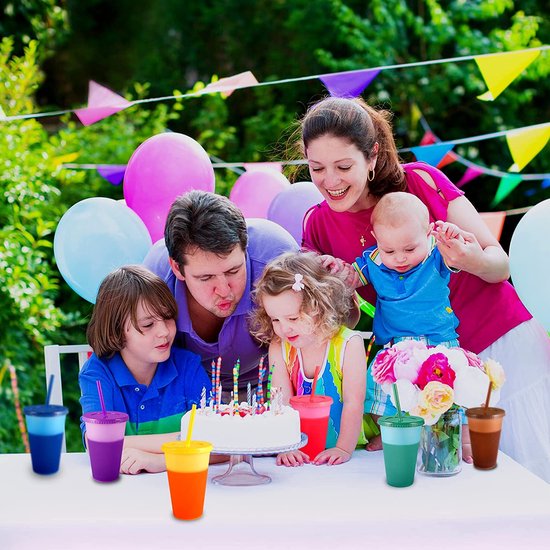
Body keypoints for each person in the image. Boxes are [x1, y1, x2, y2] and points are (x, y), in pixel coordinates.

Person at [297, 96, 550, 482]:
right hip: (420, 376)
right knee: (446, 482)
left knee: (526, 469)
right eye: (317, 169)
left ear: (372, 156)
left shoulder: (420, 180)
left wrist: (469, 259)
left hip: (499, 346)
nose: (330, 182)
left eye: (343, 166)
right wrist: (341, 290)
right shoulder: (317, 225)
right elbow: (341, 322)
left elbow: (499, 266)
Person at [143, 190, 298, 402]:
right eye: (206, 278)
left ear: (245, 249)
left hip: (277, 390)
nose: (224, 290)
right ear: (177, 268)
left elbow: (327, 327)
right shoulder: (154, 280)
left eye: (233, 271)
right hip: (189, 397)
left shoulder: (277, 257)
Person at [79, 265, 214, 475]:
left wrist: (159, 461)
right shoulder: (97, 373)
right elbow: (98, 445)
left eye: (168, 318)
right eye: (148, 325)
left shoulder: (188, 366)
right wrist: (185, 441)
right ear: (116, 333)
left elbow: (222, 444)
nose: (164, 332)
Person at [250, 251, 368, 466]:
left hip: (346, 448)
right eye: (275, 319)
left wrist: (343, 448)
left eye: (293, 318)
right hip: (300, 450)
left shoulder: (349, 344)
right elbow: (281, 402)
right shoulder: (279, 346)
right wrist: (286, 447)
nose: (284, 328)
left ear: (318, 306)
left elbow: (354, 402)